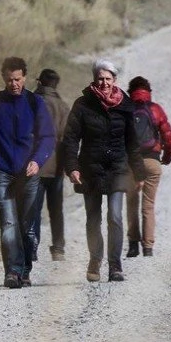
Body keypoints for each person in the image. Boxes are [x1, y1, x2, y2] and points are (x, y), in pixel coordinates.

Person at [0, 56, 56, 289]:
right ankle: (12, 272)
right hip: (1, 169)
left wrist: (37, 161)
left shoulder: (35, 103)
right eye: (9, 80)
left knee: (26, 225)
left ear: (24, 77)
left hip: (29, 171)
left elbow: (47, 138)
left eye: (17, 79)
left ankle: (25, 269)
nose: (14, 84)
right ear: (3, 79)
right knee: (8, 223)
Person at [59, 59, 138, 283]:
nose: (104, 83)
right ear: (94, 80)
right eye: (100, 79)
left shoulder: (125, 105)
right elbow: (71, 138)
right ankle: (95, 260)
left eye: (108, 79)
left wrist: (138, 172)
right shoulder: (83, 105)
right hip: (90, 169)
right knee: (93, 219)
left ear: (114, 81)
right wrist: (72, 167)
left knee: (114, 216)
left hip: (118, 168)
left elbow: (132, 141)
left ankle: (115, 265)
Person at [124, 75, 171, 258]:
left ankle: (132, 245)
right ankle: (148, 247)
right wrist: (167, 157)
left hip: (131, 163)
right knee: (148, 205)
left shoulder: (126, 109)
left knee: (131, 202)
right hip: (152, 162)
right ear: (149, 92)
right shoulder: (155, 109)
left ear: (130, 93)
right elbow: (168, 136)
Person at [28, 68, 72, 264]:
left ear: (39, 82)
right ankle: (58, 249)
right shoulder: (63, 106)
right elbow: (67, 137)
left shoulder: (30, 103)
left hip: (35, 163)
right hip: (57, 166)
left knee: (33, 209)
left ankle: (32, 246)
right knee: (56, 210)